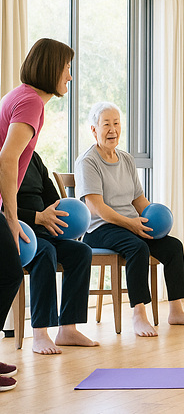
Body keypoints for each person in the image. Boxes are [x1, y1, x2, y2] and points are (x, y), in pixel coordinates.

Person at [75, 102, 184, 337]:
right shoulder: (87, 161)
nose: (112, 130)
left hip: (129, 225)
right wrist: (131, 223)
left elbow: (139, 201)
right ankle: (139, 314)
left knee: (173, 246)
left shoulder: (126, 159)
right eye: (106, 125)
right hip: (100, 229)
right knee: (137, 247)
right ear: (94, 130)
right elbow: (98, 208)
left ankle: (176, 311)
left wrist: (155, 217)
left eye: (116, 123)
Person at [0, 38, 74, 392]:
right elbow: (7, 158)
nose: (69, 78)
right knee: (8, 271)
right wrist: (13, 219)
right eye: (67, 69)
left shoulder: (21, 96)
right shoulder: (30, 102)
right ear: (51, 69)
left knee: (7, 272)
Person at [17, 151, 97, 354]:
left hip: (43, 231)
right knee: (46, 252)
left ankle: (68, 329)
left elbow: (52, 199)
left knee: (81, 252)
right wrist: (37, 217)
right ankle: (40, 333)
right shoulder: (4, 157)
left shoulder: (33, 157)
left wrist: (55, 214)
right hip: (16, 233)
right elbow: (4, 209)